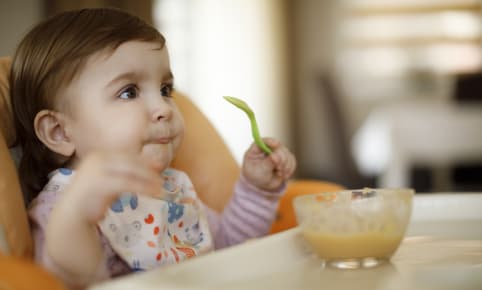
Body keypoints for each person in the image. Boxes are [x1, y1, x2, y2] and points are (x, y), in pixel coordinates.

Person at [10, 7, 296, 289]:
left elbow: (228, 249)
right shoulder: (62, 207)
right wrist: (76, 212)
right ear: (59, 131)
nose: (163, 108)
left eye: (165, 89)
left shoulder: (171, 187)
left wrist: (256, 190)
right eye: (129, 92)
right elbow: (68, 276)